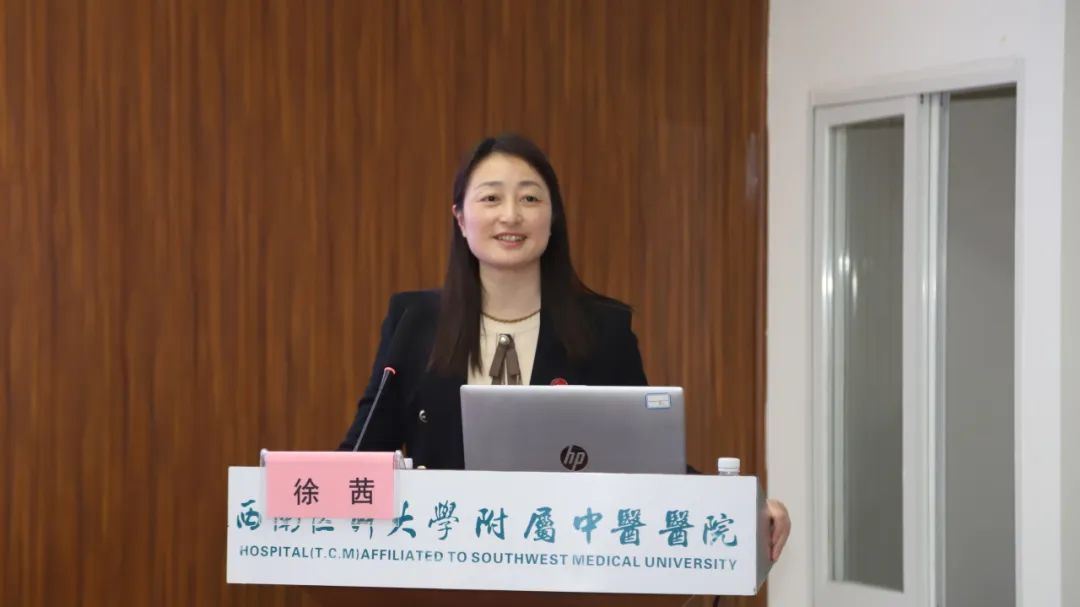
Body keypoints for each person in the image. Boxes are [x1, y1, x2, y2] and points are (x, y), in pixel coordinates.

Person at [337, 133, 790, 561]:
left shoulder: (602, 329)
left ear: (552, 218)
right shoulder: (415, 322)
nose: (511, 215)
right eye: (491, 198)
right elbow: (361, 454)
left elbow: (648, 461)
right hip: (443, 561)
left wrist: (739, 508)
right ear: (460, 217)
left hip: (569, 562)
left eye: (530, 198)